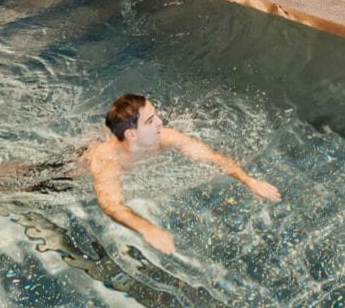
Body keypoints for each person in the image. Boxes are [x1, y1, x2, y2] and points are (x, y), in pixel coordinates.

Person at [84, 93, 280, 254]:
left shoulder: (164, 137)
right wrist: (147, 229)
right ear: (131, 134)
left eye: (156, 116)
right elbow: (110, 205)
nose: (160, 122)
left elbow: (211, 157)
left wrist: (248, 180)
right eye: (151, 120)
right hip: (69, 172)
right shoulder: (106, 161)